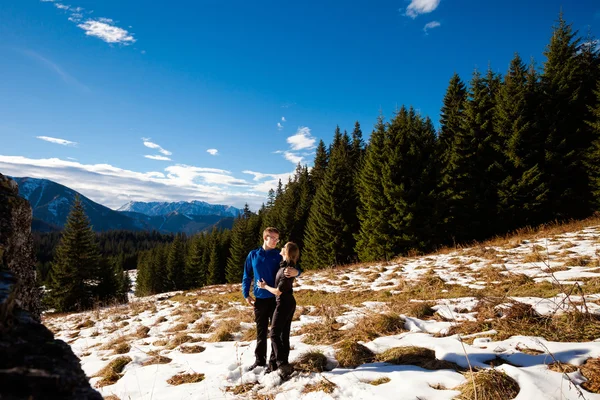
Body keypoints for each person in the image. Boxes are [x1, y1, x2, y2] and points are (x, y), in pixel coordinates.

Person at [242, 227, 300, 371]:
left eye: (277, 239)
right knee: (261, 332)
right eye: (273, 238)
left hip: (276, 300)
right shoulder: (253, 255)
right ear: (265, 238)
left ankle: (274, 363)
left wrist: (297, 272)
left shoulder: (279, 255)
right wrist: (246, 294)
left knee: (277, 333)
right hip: (259, 300)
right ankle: (259, 361)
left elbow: (293, 265)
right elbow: (247, 275)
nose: (276, 241)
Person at [257, 242, 299, 377]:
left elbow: (277, 291)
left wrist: (264, 286)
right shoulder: (285, 266)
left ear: (286, 252)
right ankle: (279, 363)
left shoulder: (287, 270)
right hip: (287, 303)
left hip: (284, 304)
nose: (281, 247)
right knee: (283, 334)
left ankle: (282, 364)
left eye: (284, 247)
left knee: (274, 334)